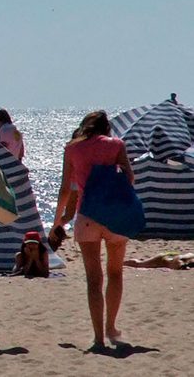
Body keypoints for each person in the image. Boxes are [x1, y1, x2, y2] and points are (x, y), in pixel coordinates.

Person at [53, 110, 134, 347]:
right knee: (115, 273)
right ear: (106, 127)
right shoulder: (116, 145)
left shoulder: (72, 149)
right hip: (115, 216)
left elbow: (65, 189)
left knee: (93, 279)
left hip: (87, 215)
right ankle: (111, 327)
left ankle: (98, 337)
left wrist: (58, 221)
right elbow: (130, 178)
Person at [124, 252, 194, 270]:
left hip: (165, 258)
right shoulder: (180, 261)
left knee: (139, 263)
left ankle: (122, 263)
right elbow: (178, 264)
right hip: (162, 260)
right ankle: (121, 263)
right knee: (139, 264)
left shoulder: (187, 258)